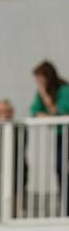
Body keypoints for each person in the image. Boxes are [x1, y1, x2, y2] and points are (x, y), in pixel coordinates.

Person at [30, 61, 69, 214]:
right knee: (60, 169)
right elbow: (34, 111)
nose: (38, 83)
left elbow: (60, 111)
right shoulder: (41, 92)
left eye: (40, 78)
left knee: (63, 167)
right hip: (60, 135)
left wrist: (46, 98)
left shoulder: (64, 89)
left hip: (67, 133)